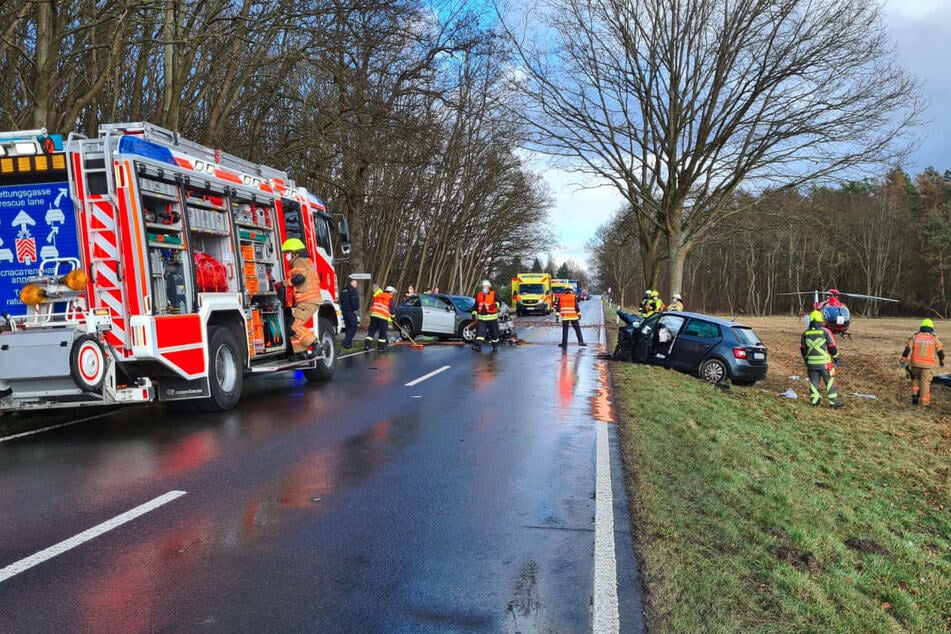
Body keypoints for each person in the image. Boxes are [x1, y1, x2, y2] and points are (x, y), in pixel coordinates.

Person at [281, 238, 320, 360]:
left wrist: (283, 283)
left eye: (288, 253)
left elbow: (299, 278)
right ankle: (300, 354)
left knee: (294, 326)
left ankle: (316, 344)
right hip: (311, 300)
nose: (287, 256)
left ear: (295, 253)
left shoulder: (299, 262)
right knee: (293, 325)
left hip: (307, 300)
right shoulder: (308, 261)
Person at [800, 310, 843, 408]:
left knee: (814, 382)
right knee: (829, 381)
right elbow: (832, 347)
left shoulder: (805, 333)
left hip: (811, 364)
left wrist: (806, 360)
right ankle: (834, 402)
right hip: (825, 363)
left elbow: (803, 349)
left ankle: (815, 402)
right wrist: (837, 358)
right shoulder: (826, 331)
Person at [900, 318, 945, 406]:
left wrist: (903, 360)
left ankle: (915, 393)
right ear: (932, 328)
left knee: (915, 378)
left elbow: (907, 349)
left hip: (915, 363)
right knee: (925, 382)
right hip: (927, 365)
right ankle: (924, 401)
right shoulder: (934, 338)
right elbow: (941, 353)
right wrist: (941, 361)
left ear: (921, 327)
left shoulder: (915, 336)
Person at [365, 284, 396, 352]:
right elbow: (392, 310)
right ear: (391, 292)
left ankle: (367, 345)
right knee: (382, 333)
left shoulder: (378, 296)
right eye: (393, 293)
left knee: (371, 331)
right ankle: (381, 348)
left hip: (374, 316)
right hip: (383, 317)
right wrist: (393, 317)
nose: (393, 294)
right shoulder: (390, 298)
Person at [472, 279, 500, 352]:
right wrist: (474, 313)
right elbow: (476, 305)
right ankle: (478, 346)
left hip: (492, 318)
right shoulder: (479, 295)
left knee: (494, 334)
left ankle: (495, 346)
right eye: (483, 287)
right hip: (481, 319)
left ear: (489, 287)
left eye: (485, 287)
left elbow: (499, 302)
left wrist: (494, 305)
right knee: (480, 333)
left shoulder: (494, 294)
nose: (484, 288)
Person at [340, 278, 360, 349]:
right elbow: (354, 300)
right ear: (354, 284)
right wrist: (355, 308)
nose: (356, 286)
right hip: (351, 311)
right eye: (356, 285)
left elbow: (341, 300)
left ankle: (348, 345)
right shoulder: (353, 290)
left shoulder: (343, 290)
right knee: (354, 326)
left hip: (344, 311)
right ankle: (345, 342)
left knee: (348, 327)